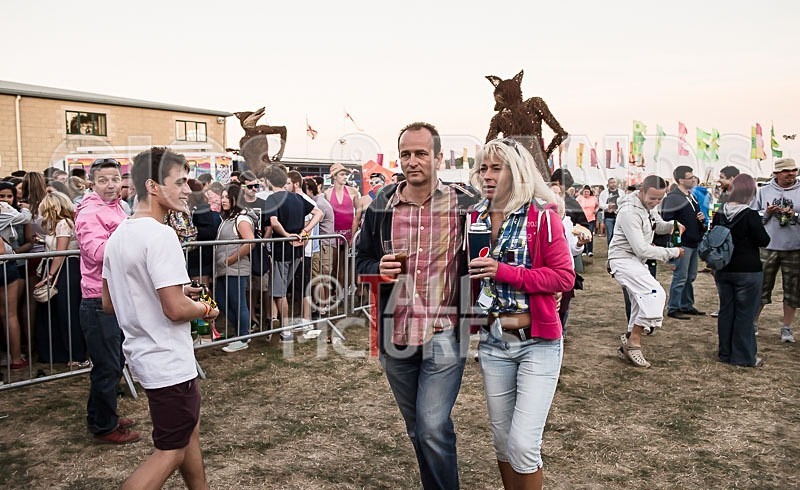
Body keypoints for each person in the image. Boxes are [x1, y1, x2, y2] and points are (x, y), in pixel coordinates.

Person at [355, 122, 478, 490]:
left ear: (438, 158)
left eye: (421, 153)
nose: (412, 161)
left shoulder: (464, 204)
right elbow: (360, 262)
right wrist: (377, 269)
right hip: (396, 334)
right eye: (406, 154)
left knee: (432, 426)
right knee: (417, 429)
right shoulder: (382, 205)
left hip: (444, 332)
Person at [102, 147, 218, 489]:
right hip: (167, 359)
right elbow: (176, 309)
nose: (187, 191)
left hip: (145, 356)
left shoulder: (119, 235)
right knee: (170, 450)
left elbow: (109, 302)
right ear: (152, 186)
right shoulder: (161, 234)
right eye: (179, 182)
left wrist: (177, 294)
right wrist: (206, 309)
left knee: (187, 433)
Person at [469, 138, 574, 490]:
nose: (487, 175)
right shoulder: (474, 218)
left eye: (496, 168)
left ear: (517, 172)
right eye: (483, 168)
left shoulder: (542, 218)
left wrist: (505, 272)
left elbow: (564, 278)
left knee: (523, 445)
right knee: (502, 442)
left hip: (536, 344)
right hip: (493, 343)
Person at [75, 158, 141, 444]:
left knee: (113, 362)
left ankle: (102, 416)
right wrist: (134, 244)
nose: (111, 185)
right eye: (103, 180)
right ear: (92, 183)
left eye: (115, 179)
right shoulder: (89, 212)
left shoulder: (121, 207)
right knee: (108, 366)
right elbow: (97, 252)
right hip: (98, 299)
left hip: (118, 295)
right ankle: (105, 427)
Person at [608, 175, 684, 368]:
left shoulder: (648, 206)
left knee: (639, 300)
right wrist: (672, 252)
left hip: (636, 261)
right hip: (623, 259)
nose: (656, 202)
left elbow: (657, 225)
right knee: (655, 294)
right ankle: (633, 341)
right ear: (641, 191)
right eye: (652, 198)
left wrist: (672, 225)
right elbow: (641, 248)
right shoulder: (628, 212)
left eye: (660, 199)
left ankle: (629, 339)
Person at [712, 174, 770, 367]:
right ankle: (743, 356)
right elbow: (763, 240)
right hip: (748, 269)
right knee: (745, 313)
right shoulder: (750, 215)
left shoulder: (720, 213)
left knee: (726, 311)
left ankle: (725, 352)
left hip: (723, 268)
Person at [262, 166, 323, 341]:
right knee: (279, 290)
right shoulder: (297, 197)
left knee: (279, 292)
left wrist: (287, 234)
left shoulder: (273, 198)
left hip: (281, 250)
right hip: (297, 251)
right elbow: (318, 213)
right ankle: (276, 324)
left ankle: (285, 329)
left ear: (269, 181)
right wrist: (304, 232)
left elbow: (274, 222)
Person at [34, 191, 87, 366]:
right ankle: (60, 352)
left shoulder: (63, 224)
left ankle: (75, 353)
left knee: (67, 312)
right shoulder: (59, 224)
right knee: (57, 312)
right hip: (59, 268)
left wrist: (50, 275)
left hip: (65, 269)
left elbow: (61, 252)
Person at [752, 157, 800, 342]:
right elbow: (753, 217)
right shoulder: (763, 191)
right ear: (776, 173)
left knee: (793, 289)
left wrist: (795, 214)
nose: (791, 174)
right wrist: (767, 213)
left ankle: (787, 328)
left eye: (794, 170)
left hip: (795, 247)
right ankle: (753, 323)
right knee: (761, 286)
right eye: (786, 171)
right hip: (768, 247)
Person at [661, 165, 706, 319]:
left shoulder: (691, 196)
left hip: (694, 240)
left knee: (690, 276)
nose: (693, 180)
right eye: (690, 177)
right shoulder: (673, 198)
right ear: (680, 180)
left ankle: (686, 304)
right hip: (682, 242)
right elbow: (666, 219)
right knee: (680, 276)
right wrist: (676, 237)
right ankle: (673, 307)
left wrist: (701, 220)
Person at [214, 184, 255, 353]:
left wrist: (230, 260)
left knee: (238, 303)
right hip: (224, 269)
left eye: (226, 197)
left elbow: (250, 242)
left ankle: (243, 336)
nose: (223, 200)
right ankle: (240, 331)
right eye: (222, 197)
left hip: (235, 268)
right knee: (222, 300)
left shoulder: (241, 219)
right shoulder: (228, 218)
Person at [0, 181, 32, 370]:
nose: (5, 200)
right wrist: (25, 208)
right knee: (10, 315)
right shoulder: (4, 210)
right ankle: (16, 358)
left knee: (8, 314)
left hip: (10, 263)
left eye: (8, 196)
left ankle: (14, 356)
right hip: (6, 263)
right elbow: (24, 217)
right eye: (2, 196)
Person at [325, 163, 361, 298]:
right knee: (335, 265)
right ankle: (338, 292)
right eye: (342, 174)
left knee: (348, 264)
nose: (345, 177)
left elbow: (359, 212)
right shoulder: (327, 193)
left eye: (346, 174)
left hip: (349, 233)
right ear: (334, 176)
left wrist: (353, 232)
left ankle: (346, 292)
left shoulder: (353, 191)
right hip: (333, 234)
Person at [304, 177, 335, 316]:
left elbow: (314, 222)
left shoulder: (317, 204)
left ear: (310, 190)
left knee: (321, 277)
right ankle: (321, 304)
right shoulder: (318, 201)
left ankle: (323, 306)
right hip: (322, 243)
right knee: (320, 277)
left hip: (323, 244)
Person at [187, 181, 221, 287]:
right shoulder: (193, 208)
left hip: (200, 259)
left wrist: (191, 232)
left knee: (201, 290)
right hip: (195, 258)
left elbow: (210, 232)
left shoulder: (202, 209)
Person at [598, 178, 622, 244]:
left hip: (619, 216)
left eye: (614, 182)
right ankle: (610, 248)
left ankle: (617, 248)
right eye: (611, 182)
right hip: (608, 217)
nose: (613, 184)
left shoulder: (621, 192)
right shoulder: (604, 193)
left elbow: (624, 203)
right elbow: (600, 204)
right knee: (610, 234)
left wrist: (616, 207)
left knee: (618, 235)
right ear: (608, 184)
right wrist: (608, 206)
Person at [576, 185, 598, 257]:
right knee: (583, 234)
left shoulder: (593, 198)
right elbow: (575, 205)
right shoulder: (579, 198)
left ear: (590, 192)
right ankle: (584, 250)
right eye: (585, 192)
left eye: (587, 192)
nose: (586, 193)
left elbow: (597, 206)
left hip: (591, 218)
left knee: (590, 234)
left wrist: (596, 210)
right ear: (583, 192)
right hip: (582, 219)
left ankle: (590, 251)